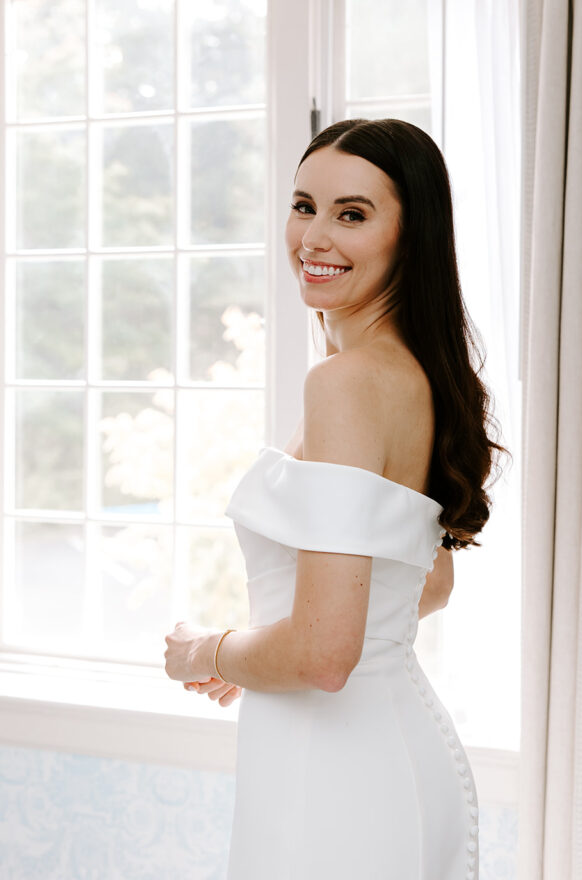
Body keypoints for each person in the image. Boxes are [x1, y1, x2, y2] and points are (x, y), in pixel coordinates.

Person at [164, 118, 509, 879]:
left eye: (351, 214)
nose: (313, 237)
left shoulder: (347, 384)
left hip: (337, 770)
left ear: (408, 238)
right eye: (302, 205)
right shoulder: (411, 373)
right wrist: (271, 651)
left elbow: (325, 654)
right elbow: (430, 582)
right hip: (371, 750)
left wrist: (204, 653)